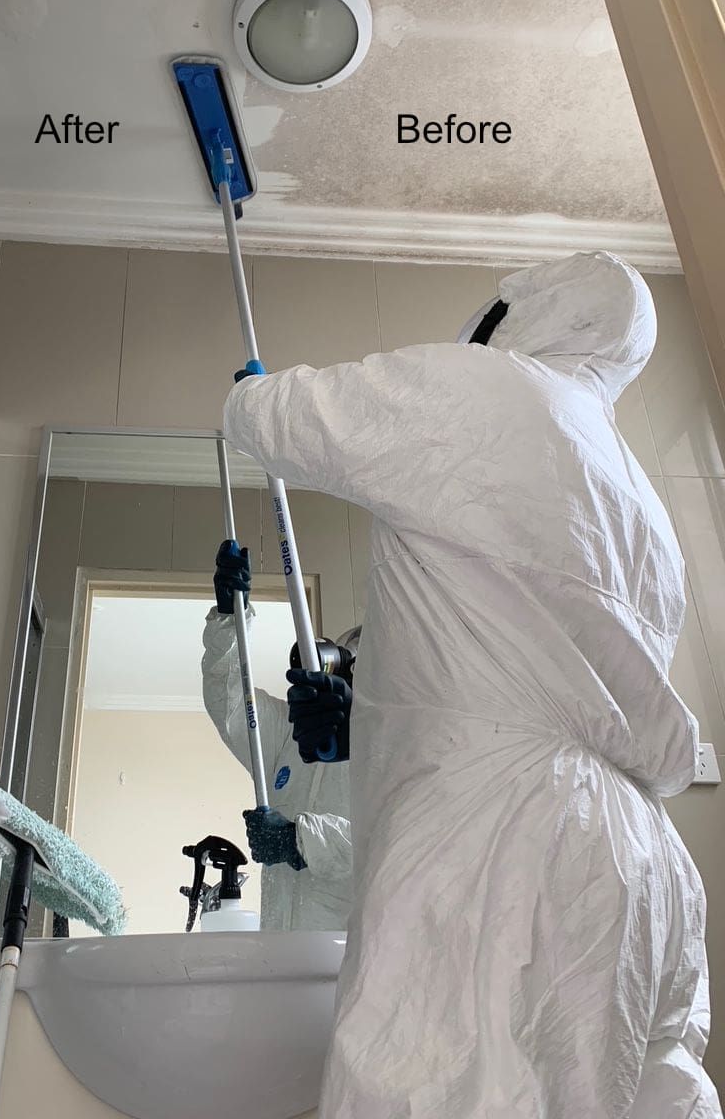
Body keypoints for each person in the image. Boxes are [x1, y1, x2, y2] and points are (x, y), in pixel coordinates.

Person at [223, 251, 722, 1118]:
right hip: (643, 861)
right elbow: (521, 647)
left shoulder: (488, 390)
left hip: (502, 841)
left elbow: (273, 419)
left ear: (529, 314)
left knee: (433, 1089)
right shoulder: (643, 501)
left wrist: (249, 393)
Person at [201, 539, 355, 931]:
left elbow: (392, 846)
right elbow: (231, 701)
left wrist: (297, 840)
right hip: (281, 957)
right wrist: (229, 618)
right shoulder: (290, 733)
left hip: (346, 965)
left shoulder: (396, 749)